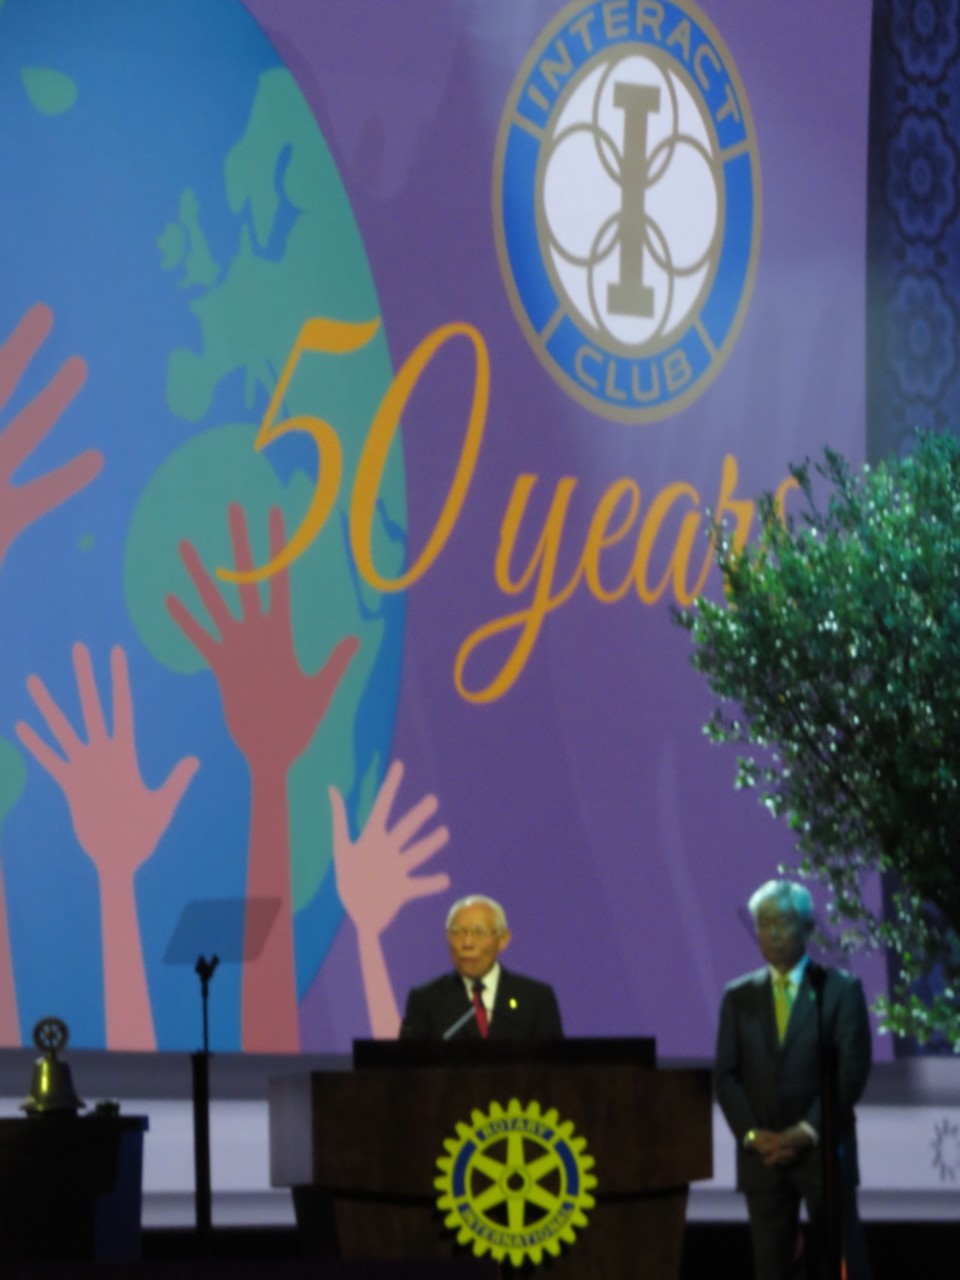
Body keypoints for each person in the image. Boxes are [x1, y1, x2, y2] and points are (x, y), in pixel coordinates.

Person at [715, 880, 873, 1280]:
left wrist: (805, 1132)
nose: (772, 933)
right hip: (763, 1158)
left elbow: (851, 1071)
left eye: (782, 922)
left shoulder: (840, 990)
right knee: (771, 1268)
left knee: (844, 1262)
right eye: (763, 924)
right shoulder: (738, 996)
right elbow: (726, 1076)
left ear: (807, 927)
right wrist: (754, 1136)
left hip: (823, 1153)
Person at [399, 894, 563, 1040]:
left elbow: (555, 1062)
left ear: (503, 939)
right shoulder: (425, 1000)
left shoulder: (536, 999)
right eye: (457, 932)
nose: (467, 943)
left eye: (479, 932)